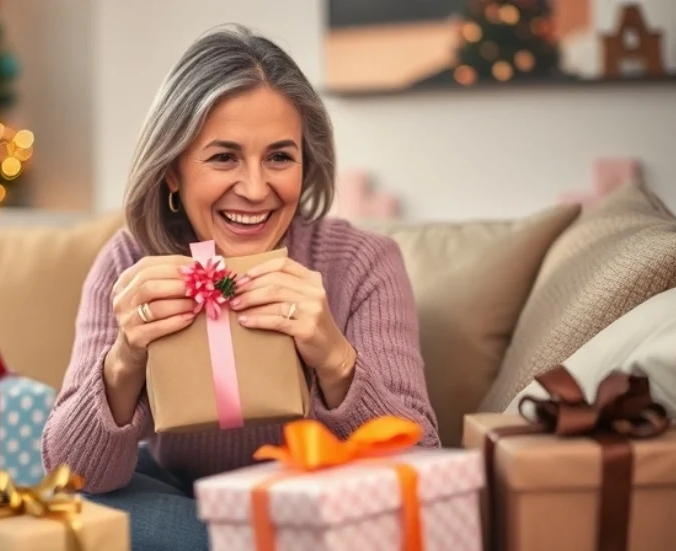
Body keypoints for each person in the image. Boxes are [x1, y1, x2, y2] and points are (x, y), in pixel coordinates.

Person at [41, 24, 439, 550]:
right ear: (173, 172)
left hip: (321, 506)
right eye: (224, 157)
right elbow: (72, 472)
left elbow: (421, 464)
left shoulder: (363, 262)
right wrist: (124, 359)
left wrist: (335, 359)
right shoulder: (129, 261)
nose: (255, 189)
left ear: (306, 162)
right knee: (79, 505)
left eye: (279, 157)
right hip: (180, 500)